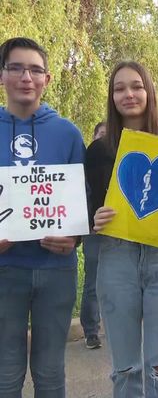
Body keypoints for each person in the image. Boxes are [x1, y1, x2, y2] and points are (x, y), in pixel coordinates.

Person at [89, 61, 158, 398]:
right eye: (119, 88)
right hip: (117, 258)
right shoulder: (98, 151)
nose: (128, 94)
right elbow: (85, 208)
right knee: (126, 370)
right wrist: (95, 218)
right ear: (111, 96)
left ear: (149, 91)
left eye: (136, 86)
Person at [0, 37, 86, 398]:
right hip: (5, 271)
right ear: (2, 75)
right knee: (5, 374)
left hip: (56, 270)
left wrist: (75, 239)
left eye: (35, 69)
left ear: (47, 79)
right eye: (16, 67)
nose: (26, 77)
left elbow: (84, 199)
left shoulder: (67, 133)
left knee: (51, 374)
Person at [80, 120, 108, 350]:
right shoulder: (85, 167)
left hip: (119, 231)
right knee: (93, 282)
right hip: (94, 231)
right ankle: (91, 331)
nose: (104, 139)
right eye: (100, 134)